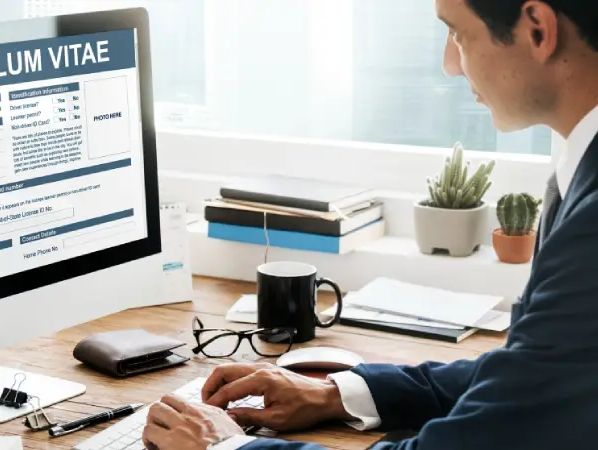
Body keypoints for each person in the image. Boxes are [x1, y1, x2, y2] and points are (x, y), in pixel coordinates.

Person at [141, 0, 598, 449]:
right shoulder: (578, 168)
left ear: (537, 29)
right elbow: (529, 374)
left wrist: (227, 448)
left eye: (458, 33)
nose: (449, 65)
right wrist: (338, 394)